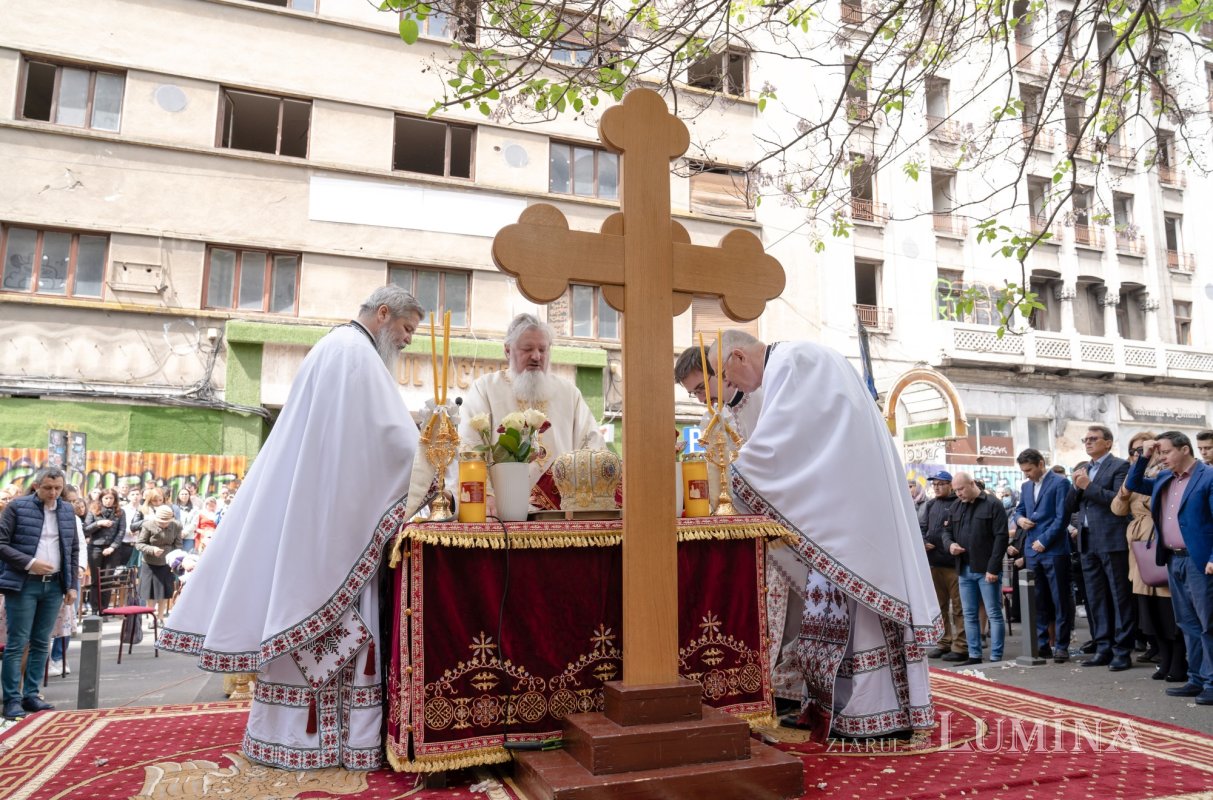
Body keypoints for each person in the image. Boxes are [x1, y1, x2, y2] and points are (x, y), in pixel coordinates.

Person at [158, 286, 424, 769]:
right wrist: (434, 461)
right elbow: (393, 441)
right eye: (406, 329)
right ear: (384, 314)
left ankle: (285, 737)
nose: (407, 341)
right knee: (340, 624)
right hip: (337, 529)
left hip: (320, 517)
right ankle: (337, 743)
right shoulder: (355, 355)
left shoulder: (332, 347)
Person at [714, 331, 939, 741]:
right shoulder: (798, 359)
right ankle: (853, 708)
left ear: (737, 356)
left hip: (851, 513)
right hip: (844, 508)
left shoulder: (797, 360)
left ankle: (877, 711)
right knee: (841, 613)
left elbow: (783, 445)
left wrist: (739, 471)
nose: (733, 389)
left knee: (865, 611)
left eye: (727, 378)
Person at [458, 313, 605, 514]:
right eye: (528, 349)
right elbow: (469, 445)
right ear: (508, 350)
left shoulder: (569, 393)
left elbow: (592, 445)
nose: (536, 356)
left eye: (542, 349)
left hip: (560, 515)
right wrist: (486, 497)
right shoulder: (485, 389)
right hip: (501, 515)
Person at [1125, 431, 1213, 706]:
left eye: (1166, 452)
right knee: (1187, 623)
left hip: (1200, 561)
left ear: (1185, 449)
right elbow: (1133, 482)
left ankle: (1211, 682)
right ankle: (1197, 678)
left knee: (1208, 624)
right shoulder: (1164, 478)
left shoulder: (1208, 477)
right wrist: (1145, 455)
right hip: (1173, 559)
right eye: (1159, 453)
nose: (1162, 458)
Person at [0, 467, 80, 720]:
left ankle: (31, 695)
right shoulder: (17, 508)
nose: (53, 492)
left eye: (58, 488)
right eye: (48, 488)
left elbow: (73, 549)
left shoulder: (67, 510)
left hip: (54, 585)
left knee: (42, 642)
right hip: (24, 584)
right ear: (36, 485)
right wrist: (29, 562)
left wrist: (72, 586)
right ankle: (11, 698)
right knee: (17, 643)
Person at [1112, 432, 1188, 683]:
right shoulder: (1140, 472)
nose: (1139, 454)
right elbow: (1120, 504)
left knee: (1170, 610)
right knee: (1150, 610)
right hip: (1140, 548)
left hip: (1161, 543)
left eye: (1145, 450)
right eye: (1135, 451)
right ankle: (1164, 660)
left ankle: (1177, 662)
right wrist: (1139, 463)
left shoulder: (1167, 475)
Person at [1066, 425, 1134, 671]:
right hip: (1086, 540)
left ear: (1108, 442)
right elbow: (1070, 507)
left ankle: (1122, 650)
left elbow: (1117, 501)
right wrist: (1076, 486)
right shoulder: (1083, 468)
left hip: (1111, 539)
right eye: (1085, 439)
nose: (1088, 442)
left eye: (1094, 439)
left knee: (1118, 596)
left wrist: (1087, 486)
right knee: (1095, 598)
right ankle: (1103, 647)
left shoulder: (1119, 466)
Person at [1011, 449, 1074, 663]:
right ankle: (1041, 644)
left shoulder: (1060, 483)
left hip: (1054, 550)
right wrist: (1020, 520)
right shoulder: (1026, 486)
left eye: (1029, 470)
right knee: (1037, 600)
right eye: (1023, 471)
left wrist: (1044, 541)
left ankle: (1062, 646)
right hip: (1032, 550)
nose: (1026, 474)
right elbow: (1018, 510)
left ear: (1040, 463)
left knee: (1060, 600)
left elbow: (1062, 518)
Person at [944, 472, 1008, 665]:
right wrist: (950, 545)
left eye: (961, 489)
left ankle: (996, 656)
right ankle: (974, 655)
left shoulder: (993, 504)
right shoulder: (956, 506)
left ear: (972, 483)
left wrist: (993, 569)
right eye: (955, 490)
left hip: (986, 569)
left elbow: (1001, 538)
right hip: (963, 568)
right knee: (969, 614)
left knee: (994, 613)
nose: (959, 493)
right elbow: (946, 532)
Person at [919, 471, 966, 662]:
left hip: (954, 564)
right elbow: (921, 528)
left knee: (959, 608)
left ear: (950, 485)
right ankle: (943, 642)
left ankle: (961, 645)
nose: (937, 487)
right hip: (934, 563)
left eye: (941, 484)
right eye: (934, 484)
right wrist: (922, 541)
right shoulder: (930, 505)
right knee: (938, 607)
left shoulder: (958, 503)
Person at [137, 505, 182, 623]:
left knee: (163, 592)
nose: (164, 524)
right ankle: (151, 618)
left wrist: (176, 560)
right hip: (150, 562)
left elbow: (178, 545)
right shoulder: (147, 525)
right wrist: (152, 550)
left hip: (167, 563)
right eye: (161, 522)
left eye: (166, 522)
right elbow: (139, 544)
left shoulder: (176, 526)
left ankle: (161, 617)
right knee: (150, 592)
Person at [84, 488, 126, 609]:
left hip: (112, 550)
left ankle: (104, 609)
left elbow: (121, 531)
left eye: (111, 498)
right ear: (101, 499)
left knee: (107, 580)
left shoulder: (120, 512)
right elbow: (86, 529)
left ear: (115, 499)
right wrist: (98, 523)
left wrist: (112, 547)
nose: (108, 501)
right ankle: (95, 609)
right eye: (106, 498)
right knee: (95, 579)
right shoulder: (93, 510)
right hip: (95, 548)